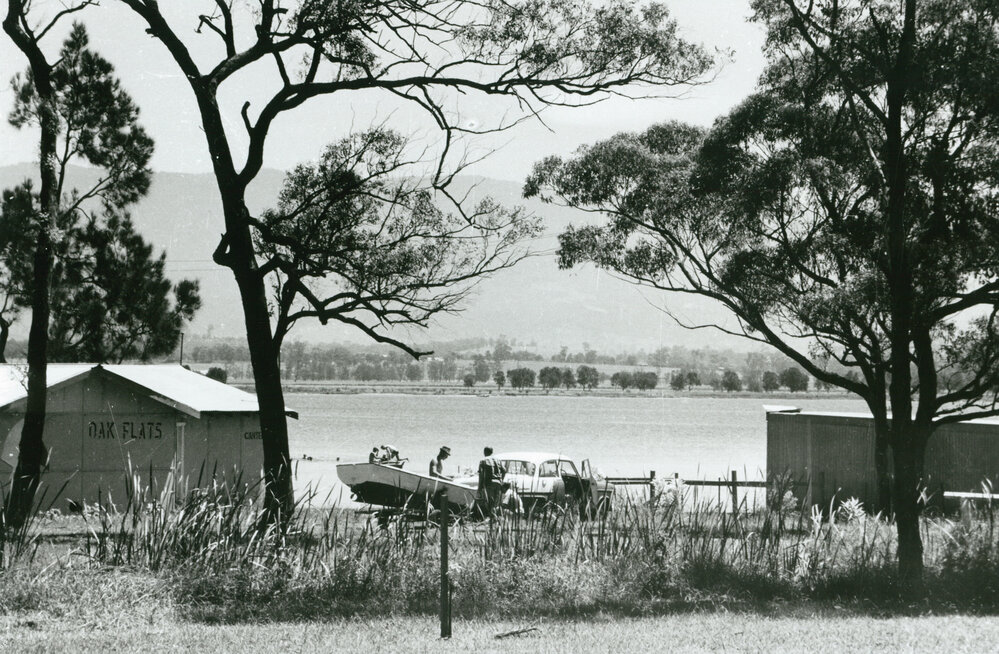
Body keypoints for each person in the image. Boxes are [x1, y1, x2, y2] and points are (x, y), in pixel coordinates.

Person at [477, 446, 506, 519]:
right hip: (498, 483)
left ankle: (492, 519)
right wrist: (501, 480)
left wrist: (479, 487)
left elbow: (481, 475)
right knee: (495, 504)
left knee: (489, 503)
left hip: (489, 483)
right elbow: (504, 470)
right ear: (492, 452)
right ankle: (494, 519)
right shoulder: (498, 460)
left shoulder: (483, 460)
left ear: (484, 452)